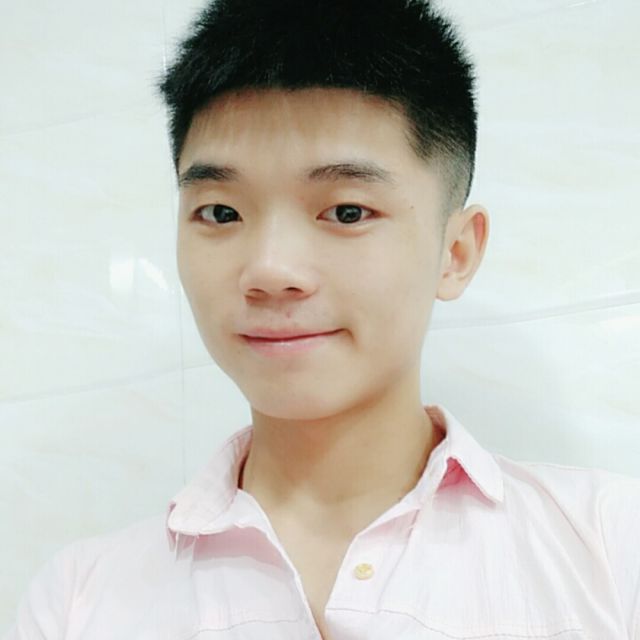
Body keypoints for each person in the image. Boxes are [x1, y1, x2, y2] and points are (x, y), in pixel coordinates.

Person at [5, 0, 640, 638]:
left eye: (346, 212)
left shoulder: (612, 549)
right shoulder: (77, 602)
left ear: (456, 252)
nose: (270, 269)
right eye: (221, 212)